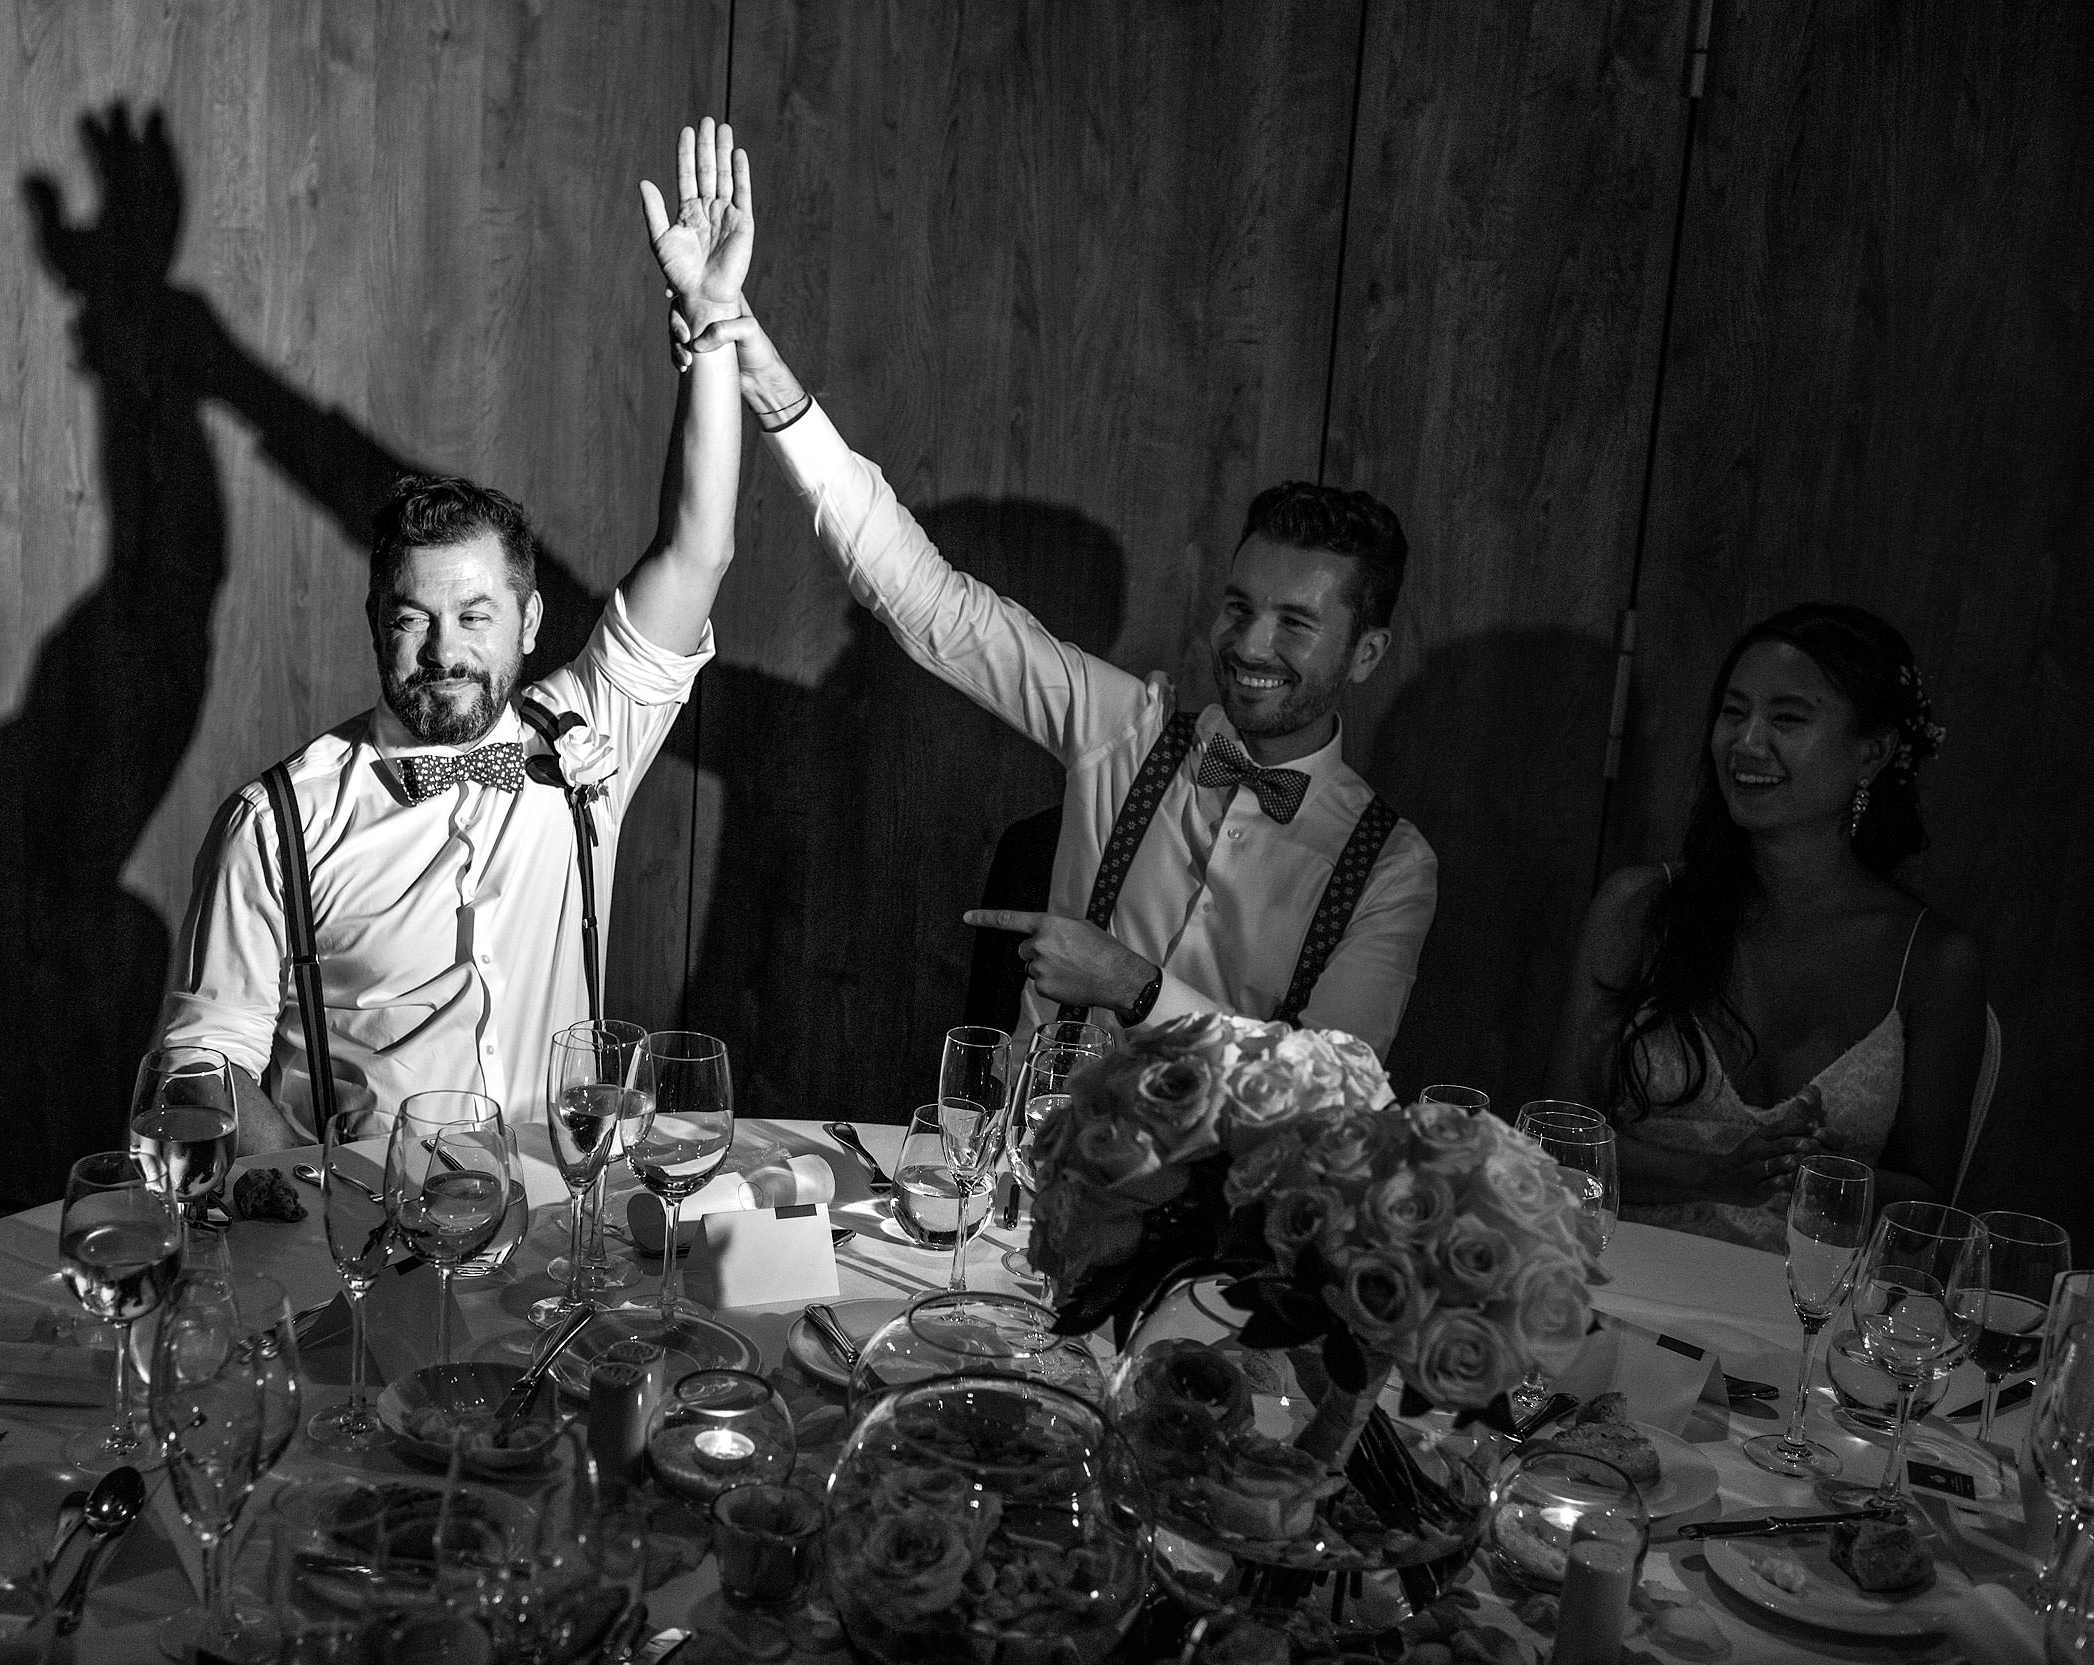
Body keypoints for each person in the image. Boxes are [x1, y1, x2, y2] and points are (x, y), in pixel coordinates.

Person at [157, 120, 748, 1176]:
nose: (442, 651)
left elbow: (697, 550)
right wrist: (297, 1181)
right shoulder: (277, 821)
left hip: (565, 1218)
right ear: (375, 621)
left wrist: (712, 335)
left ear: (527, 624)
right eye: (412, 618)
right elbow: (202, 1060)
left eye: (474, 617)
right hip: (369, 1237)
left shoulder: (585, 740)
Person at [671, 307, 1438, 1058]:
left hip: (1235, 1186)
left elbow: (1335, 1088)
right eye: (1238, 607)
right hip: (1034, 1164)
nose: (1249, 644)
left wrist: (1135, 986)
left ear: (1366, 653)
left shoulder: (1390, 864)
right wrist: (770, 386)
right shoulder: (1129, 730)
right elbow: (935, 604)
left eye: (1295, 624)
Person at [1546, 603, 1984, 1251]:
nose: (1747, 742)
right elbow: (1553, 1147)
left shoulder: (1932, 959)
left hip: (1807, 1310)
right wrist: (1715, 1173)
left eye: (1786, 717)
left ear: (1873, 751)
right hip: (1619, 1276)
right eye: (1733, 711)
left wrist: (1821, 1176)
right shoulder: (1638, 908)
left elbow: (1927, 1212)